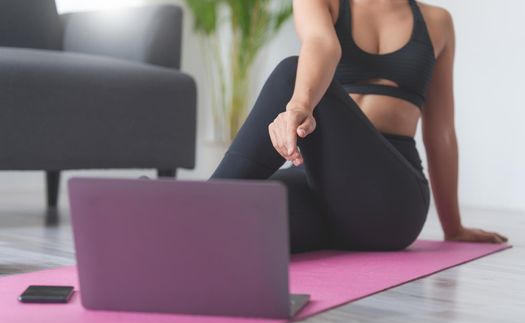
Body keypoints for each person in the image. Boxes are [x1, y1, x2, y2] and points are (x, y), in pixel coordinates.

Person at [208, 0, 508, 253]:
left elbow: (440, 133)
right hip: (321, 189)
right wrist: (300, 106)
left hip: (391, 198)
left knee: (291, 72)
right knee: (248, 212)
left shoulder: (436, 22)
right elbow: (322, 43)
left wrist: (453, 227)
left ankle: (192, 212)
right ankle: (190, 228)